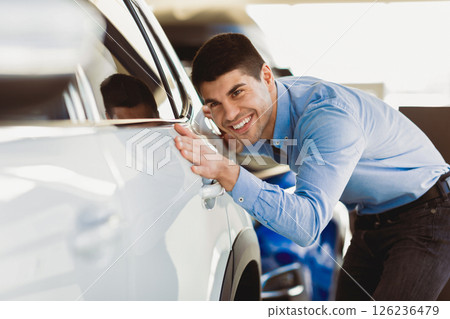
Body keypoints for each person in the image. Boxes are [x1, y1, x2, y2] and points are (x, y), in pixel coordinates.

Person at [173, 33, 450, 300]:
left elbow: (307, 226)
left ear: (267, 77)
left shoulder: (327, 117)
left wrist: (227, 172)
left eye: (237, 92)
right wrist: (222, 136)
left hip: (429, 213)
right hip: (371, 220)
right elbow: (220, 120)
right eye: (216, 103)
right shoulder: (265, 108)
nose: (230, 114)